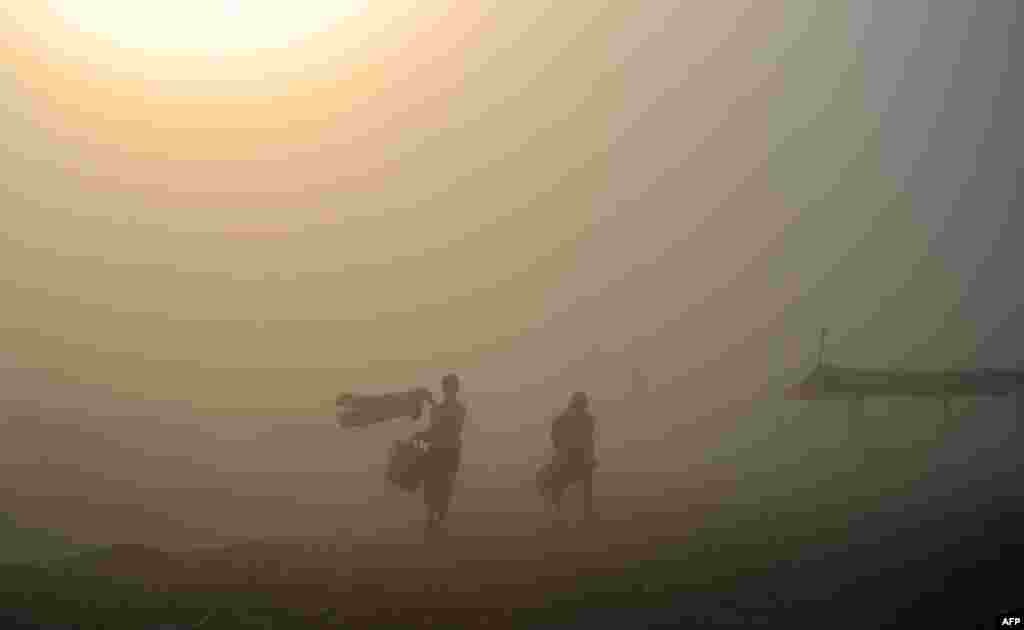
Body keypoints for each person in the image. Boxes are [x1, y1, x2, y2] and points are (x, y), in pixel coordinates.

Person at [413, 373, 467, 537]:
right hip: (439, 453)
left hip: (448, 453)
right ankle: (432, 524)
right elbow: (434, 431)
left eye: (451, 387)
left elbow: (447, 429)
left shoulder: (458, 410)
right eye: (448, 387)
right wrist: (421, 435)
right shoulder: (442, 409)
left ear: (455, 389)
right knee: (434, 489)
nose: (449, 390)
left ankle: (437, 524)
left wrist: (424, 434)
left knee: (442, 490)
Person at [546, 391, 597, 522]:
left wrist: (560, 449)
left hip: (573, 458)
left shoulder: (566, 419)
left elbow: (555, 436)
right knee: (576, 483)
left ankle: (560, 511)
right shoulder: (587, 419)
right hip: (576, 458)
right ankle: (584, 511)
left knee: (558, 482)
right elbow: (588, 440)